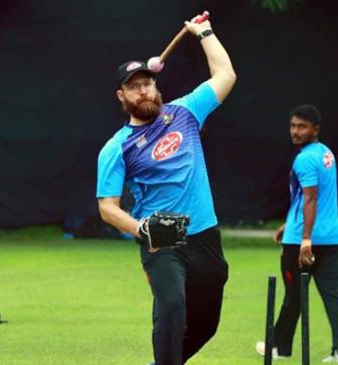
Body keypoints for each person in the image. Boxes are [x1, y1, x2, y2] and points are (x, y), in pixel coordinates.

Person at [95, 14, 236, 365]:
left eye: (148, 83)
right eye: (134, 86)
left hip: (205, 235)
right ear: (122, 96)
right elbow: (107, 207)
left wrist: (204, 33)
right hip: (162, 240)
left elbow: (225, 75)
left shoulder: (185, 112)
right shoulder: (117, 147)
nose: (143, 90)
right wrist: (140, 229)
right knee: (172, 307)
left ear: (157, 87)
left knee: (206, 325)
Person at [255, 105, 338, 363]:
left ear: (316, 129)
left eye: (302, 127)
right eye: (292, 126)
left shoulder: (303, 159)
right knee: (333, 294)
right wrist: (289, 223)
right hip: (330, 237)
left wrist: (305, 239)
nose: (295, 131)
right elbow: (306, 199)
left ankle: (279, 348)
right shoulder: (326, 154)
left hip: (303, 241)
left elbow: (310, 199)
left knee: (293, 295)